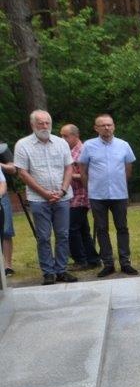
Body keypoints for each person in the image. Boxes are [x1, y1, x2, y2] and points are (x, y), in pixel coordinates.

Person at [13, 110, 77, 285]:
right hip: (38, 199)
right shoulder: (23, 145)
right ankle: (48, 272)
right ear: (33, 125)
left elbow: (69, 168)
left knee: (63, 234)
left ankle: (61, 270)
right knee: (43, 237)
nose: (44, 126)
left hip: (62, 197)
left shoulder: (61, 143)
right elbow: (22, 173)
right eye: (40, 123)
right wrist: (44, 193)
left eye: (47, 122)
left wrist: (63, 190)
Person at [79, 114, 137, 277]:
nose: (106, 128)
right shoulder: (88, 145)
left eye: (109, 125)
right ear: (96, 128)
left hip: (119, 194)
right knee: (102, 229)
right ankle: (108, 264)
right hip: (97, 195)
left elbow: (128, 168)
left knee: (122, 228)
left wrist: (121, 183)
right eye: (103, 125)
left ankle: (125, 262)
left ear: (114, 126)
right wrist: (89, 189)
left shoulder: (123, 145)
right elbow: (83, 171)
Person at [59, 123, 102, 270]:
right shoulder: (67, 151)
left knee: (72, 228)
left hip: (81, 195)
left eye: (66, 136)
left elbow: (90, 174)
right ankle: (93, 259)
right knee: (82, 229)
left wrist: (69, 175)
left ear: (76, 136)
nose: (62, 139)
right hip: (71, 196)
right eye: (61, 136)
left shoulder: (83, 151)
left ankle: (80, 260)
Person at [0, 138, 14, 276]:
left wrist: (0, 165)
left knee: (6, 230)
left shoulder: (2, 148)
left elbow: (13, 168)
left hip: (2, 192)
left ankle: (7, 266)